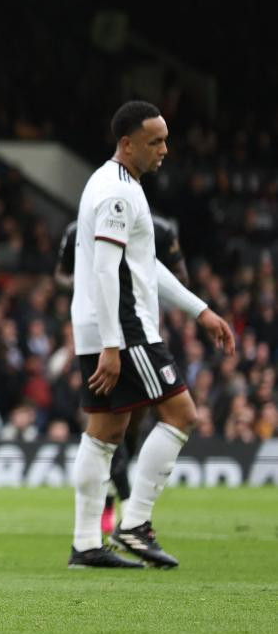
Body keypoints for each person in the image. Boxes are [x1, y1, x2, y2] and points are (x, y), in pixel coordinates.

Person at [67, 101, 234, 569]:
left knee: (105, 431)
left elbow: (143, 264)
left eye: (165, 139)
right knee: (182, 414)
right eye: (154, 141)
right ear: (127, 143)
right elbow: (106, 267)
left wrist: (199, 310)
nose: (165, 149)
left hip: (100, 324)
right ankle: (135, 525)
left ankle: (85, 543)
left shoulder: (112, 184)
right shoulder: (119, 194)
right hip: (126, 326)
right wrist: (114, 343)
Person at [56, 213, 189, 534]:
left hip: (140, 334)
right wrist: (83, 280)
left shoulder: (161, 230)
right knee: (104, 424)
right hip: (99, 337)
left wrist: (142, 280)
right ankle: (125, 510)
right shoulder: (78, 231)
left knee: (127, 428)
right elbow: (61, 275)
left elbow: (181, 276)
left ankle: (110, 516)